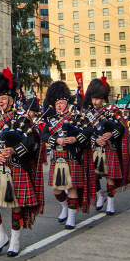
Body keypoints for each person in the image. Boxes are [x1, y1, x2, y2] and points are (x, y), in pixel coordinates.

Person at [0, 68, 42, 257]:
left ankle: (15, 239)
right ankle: (1, 236)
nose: (1, 100)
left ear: (12, 100)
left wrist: (15, 149)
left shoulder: (22, 119)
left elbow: (33, 142)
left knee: (16, 205)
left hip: (16, 166)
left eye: (5, 98)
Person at [42, 81, 93, 229]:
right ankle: (64, 207)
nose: (59, 106)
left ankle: (71, 217)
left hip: (72, 156)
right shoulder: (51, 120)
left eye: (62, 103)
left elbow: (89, 130)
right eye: (57, 103)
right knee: (56, 188)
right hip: (57, 158)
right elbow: (44, 135)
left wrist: (76, 139)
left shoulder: (76, 117)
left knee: (72, 187)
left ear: (67, 103)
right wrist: (55, 139)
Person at [83, 77, 130, 215]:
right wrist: (94, 140)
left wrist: (111, 135)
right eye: (93, 99)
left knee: (110, 175)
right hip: (95, 147)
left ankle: (111, 201)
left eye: (97, 99)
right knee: (94, 175)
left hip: (109, 146)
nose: (94, 102)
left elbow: (121, 127)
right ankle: (101, 195)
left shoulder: (112, 109)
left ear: (103, 97)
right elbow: (85, 129)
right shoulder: (87, 113)